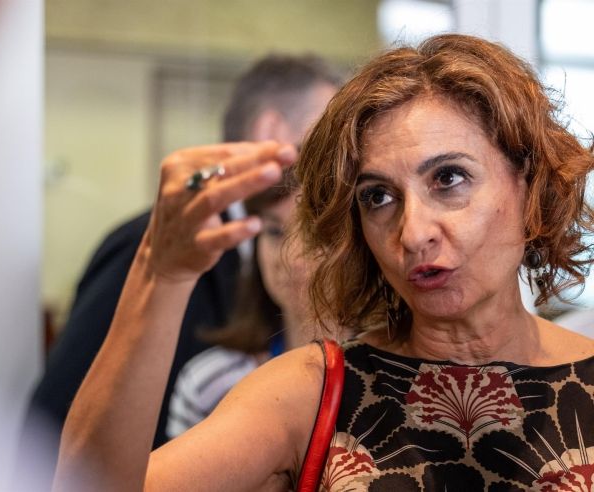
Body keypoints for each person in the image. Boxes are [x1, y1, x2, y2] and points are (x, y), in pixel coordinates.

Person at [53, 34, 594, 491]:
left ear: (529, 185)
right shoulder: (314, 393)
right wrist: (160, 273)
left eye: (449, 178)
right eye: (378, 196)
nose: (412, 232)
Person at [21, 53, 340, 468]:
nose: (342, 156)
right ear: (271, 133)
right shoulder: (153, 248)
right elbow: (55, 423)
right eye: (328, 135)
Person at [166, 167, 324, 439]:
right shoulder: (210, 384)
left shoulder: (391, 375)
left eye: (315, 234)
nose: (291, 259)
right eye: (274, 232)